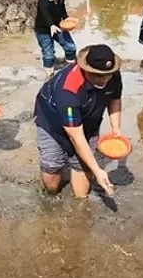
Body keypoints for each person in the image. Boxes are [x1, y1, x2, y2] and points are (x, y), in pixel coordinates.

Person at [34, 44, 121, 198]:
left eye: (107, 75)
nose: (104, 80)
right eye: (99, 76)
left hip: (89, 119)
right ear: (86, 69)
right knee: (52, 173)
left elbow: (114, 99)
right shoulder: (68, 88)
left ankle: (80, 209)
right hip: (52, 121)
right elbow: (76, 137)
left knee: (82, 169)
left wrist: (116, 129)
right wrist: (98, 171)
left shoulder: (112, 74)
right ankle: (50, 198)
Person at [34, 0, 77, 77]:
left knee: (70, 47)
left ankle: (70, 69)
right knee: (49, 54)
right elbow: (45, 14)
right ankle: (49, 75)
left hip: (58, 26)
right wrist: (51, 25)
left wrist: (66, 18)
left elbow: (62, 9)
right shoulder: (43, 1)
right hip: (43, 30)